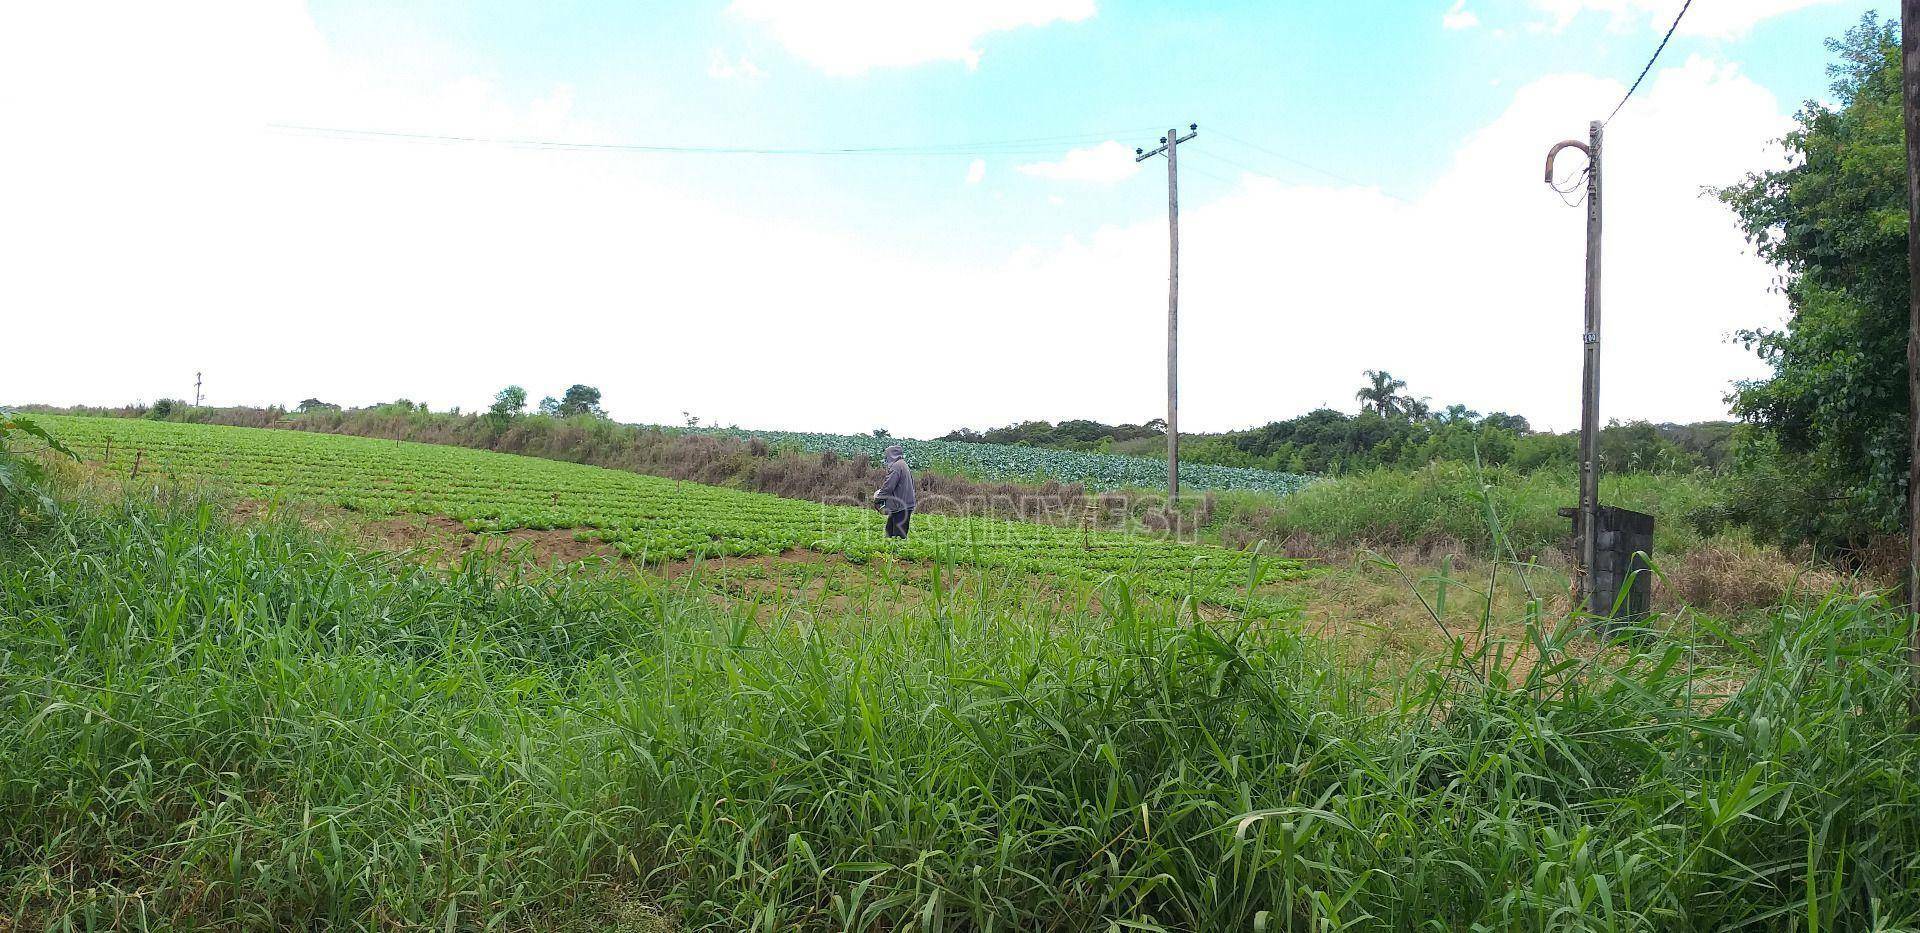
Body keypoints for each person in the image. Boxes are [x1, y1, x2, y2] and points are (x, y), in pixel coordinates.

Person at [873, 444, 915, 538]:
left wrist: (878, 499)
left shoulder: (896, 467)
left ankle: (898, 552)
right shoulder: (903, 464)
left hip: (901, 505)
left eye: (887, 456)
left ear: (891, 455)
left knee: (898, 536)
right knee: (890, 531)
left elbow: (888, 486)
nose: (886, 458)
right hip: (902, 504)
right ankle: (892, 551)